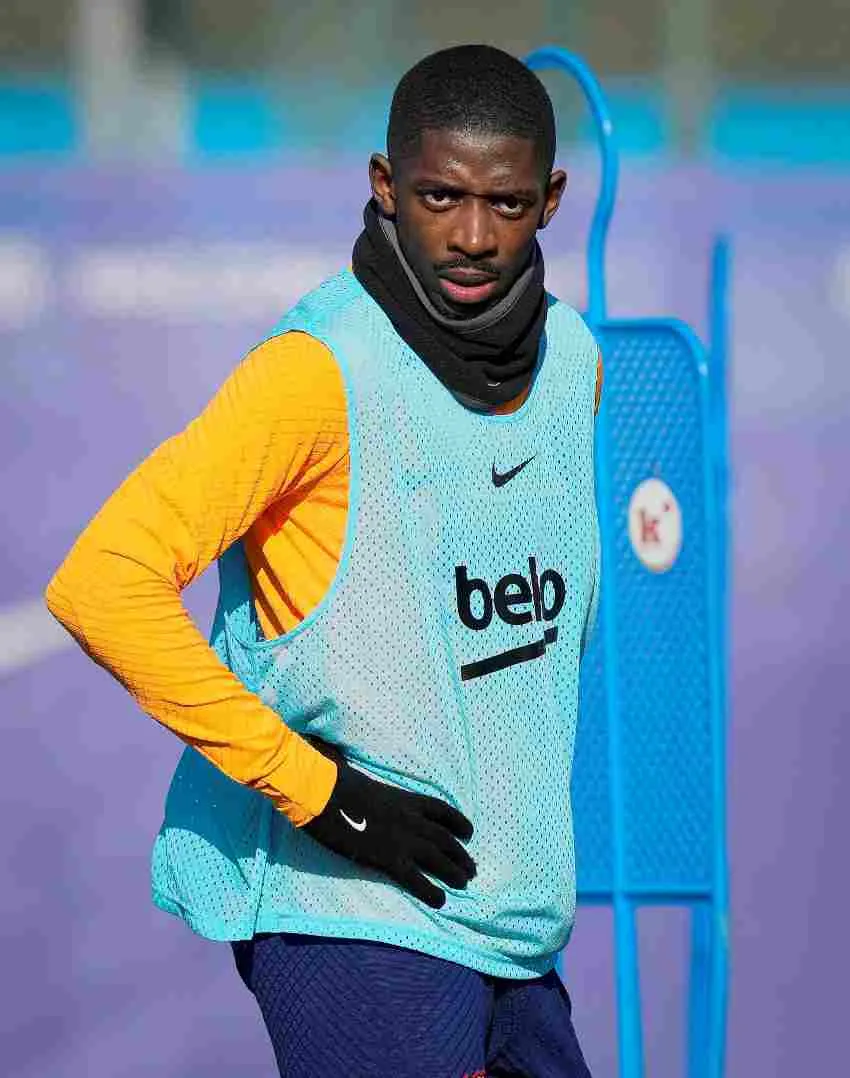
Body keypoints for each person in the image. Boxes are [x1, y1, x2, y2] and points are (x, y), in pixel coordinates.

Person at [45, 44, 602, 1078]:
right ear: (385, 186)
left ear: (552, 199)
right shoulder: (314, 373)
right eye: (439, 195)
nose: (473, 235)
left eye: (506, 203)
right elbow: (103, 581)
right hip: (348, 915)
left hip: (514, 921)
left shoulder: (573, 361)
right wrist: (321, 793)